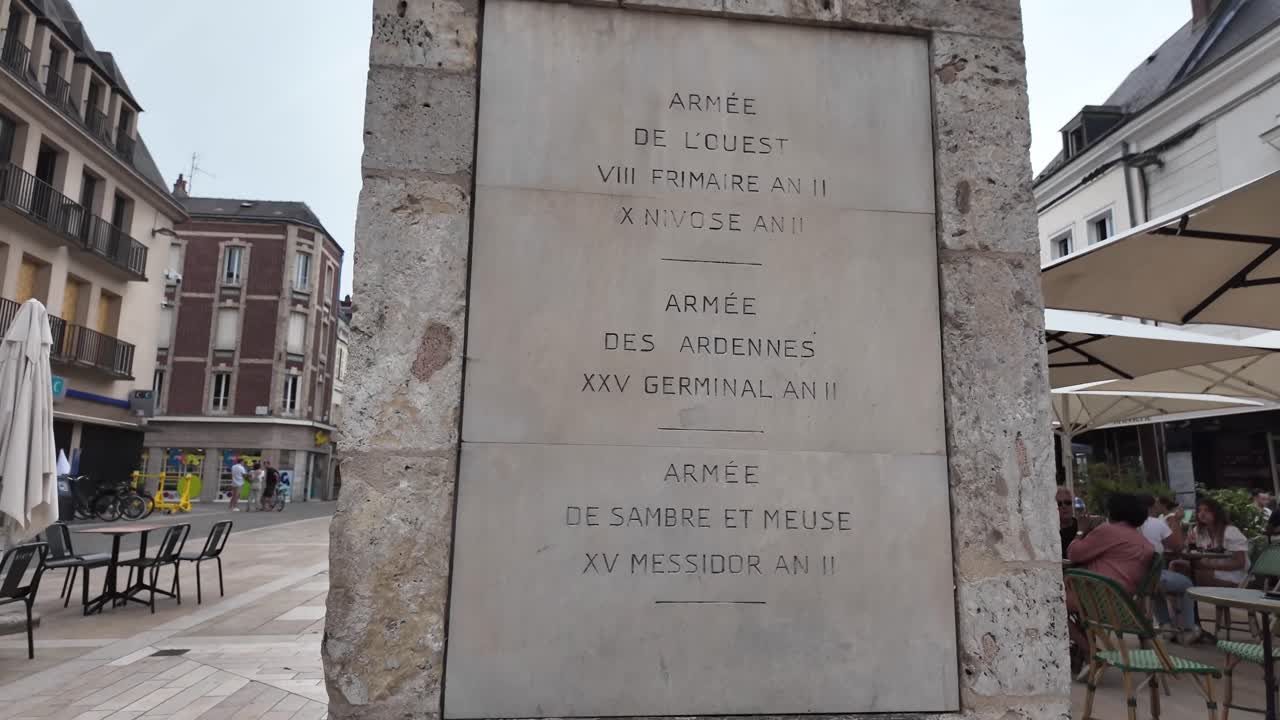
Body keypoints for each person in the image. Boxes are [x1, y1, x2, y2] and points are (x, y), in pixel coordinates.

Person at [1066, 493, 1155, 655]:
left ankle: (1090, 654)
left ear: (1113, 512)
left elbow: (1074, 554)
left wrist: (1081, 530)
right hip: (1121, 604)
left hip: (1097, 600)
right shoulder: (1142, 541)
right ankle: (1087, 650)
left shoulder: (1108, 531)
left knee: (1050, 606)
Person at [1190, 497, 1250, 587]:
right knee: (1178, 565)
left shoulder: (1230, 531)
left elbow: (1240, 563)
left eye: (1207, 510)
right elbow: (1194, 553)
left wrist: (1207, 565)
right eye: (1199, 511)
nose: (1202, 514)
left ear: (1216, 513)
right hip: (1211, 568)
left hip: (1233, 573)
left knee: (1198, 574)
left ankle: (1200, 599)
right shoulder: (1198, 531)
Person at [1057, 487, 1079, 559]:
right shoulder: (1051, 532)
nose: (1064, 506)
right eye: (1059, 504)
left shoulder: (1081, 527)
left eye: (1067, 502)